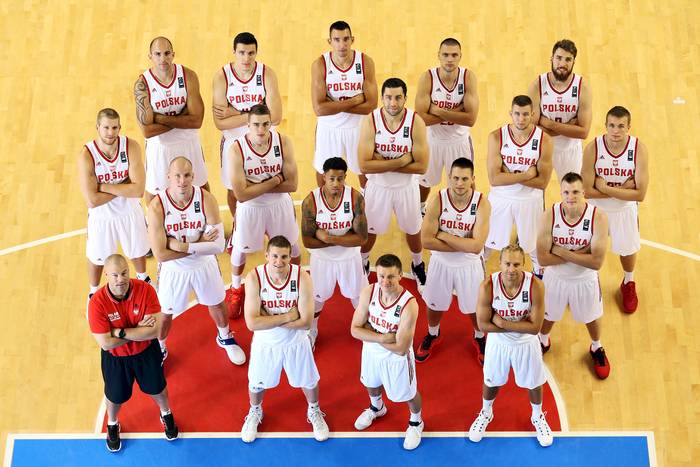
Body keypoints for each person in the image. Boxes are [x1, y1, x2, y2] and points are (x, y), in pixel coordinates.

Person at [147, 157, 245, 365]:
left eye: (187, 175)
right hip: (173, 270)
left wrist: (182, 246)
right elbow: (161, 255)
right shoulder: (157, 206)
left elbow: (218, 245)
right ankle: (160, 347)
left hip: (204, 264)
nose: (182, 181)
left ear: (193, 176)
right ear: (168, 177)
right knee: (165, 313)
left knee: (217, 303)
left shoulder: (206, 199)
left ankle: (224, 336)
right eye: (177, 176)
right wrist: (200, 244)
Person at [241, 235, 329, 443]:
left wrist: (268, 319)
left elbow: (306, 322)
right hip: (266, 343)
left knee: (309, 380)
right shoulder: (255, 278)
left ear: (290, 257)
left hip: (296, 341)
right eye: (274, 256)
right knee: (257, 382)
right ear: (266, 256)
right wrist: (289, 316)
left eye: (284, 257)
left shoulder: (302, 277)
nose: (279, 261)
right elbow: (252, 323)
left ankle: (314, 410)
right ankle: (255, 411)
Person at [88, 254, 178, 452]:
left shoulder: (145, 290)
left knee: (158, 389)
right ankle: (112, 423)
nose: (120, 279)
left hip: (146, 353)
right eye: (115, 275)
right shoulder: (97, 303)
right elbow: (106, 344)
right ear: (106, 275)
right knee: (114, 396)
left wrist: (118, 332)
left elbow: (155, 331)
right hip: (115, 360)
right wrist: (138, 330)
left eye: (124, 273)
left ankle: (165, 413)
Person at [467, 244, 553, 447]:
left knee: (534, 383)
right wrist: (519, 326)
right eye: (507, 264)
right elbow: (482, 325)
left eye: (516, 264)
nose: (511, 269)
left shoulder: (535, 286)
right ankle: (486, 412)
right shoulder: (488, 286)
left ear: (524, 264)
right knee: (491, 381)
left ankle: (537, 416)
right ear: (499, 263)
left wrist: (503, 323)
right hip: (499, 342)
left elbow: (535, 328)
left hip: (526, 343)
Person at [225, 104, 300, 317]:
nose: (261, 129)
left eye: (265, 124)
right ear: (248, 125)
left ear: (270, 124)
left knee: (292, 246)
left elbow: (292, 185)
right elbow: (241, 195)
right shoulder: (236, 149)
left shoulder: (283, 142)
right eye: (256, 124)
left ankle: (296, 282)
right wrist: (275, 180)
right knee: (240, 248)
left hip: (279, 205)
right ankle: (236, 288)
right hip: (250, 208)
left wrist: (254, 186)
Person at [536, 172, 611, 379]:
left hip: (585, 280)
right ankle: (543, 340)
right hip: (555, 279)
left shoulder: (598, 218)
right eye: (566, 192)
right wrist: (582, 253)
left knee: (591, 316)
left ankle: (596, 347)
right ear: (560, 193)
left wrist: (560, 251)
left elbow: (596, 262)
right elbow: (543, 259)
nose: (571, 197)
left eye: (575, 192)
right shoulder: (549, 216)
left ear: (584, 192)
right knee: (548, 314)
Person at [416, 157, 490, 364]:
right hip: (441, 262)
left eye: (464, 179)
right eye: (456, 178)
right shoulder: (438, 200)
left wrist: (442, 234)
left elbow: (476, 247)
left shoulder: (482, 203)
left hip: (469, 264)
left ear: (473, 179)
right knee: (434, 302)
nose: (459, 183)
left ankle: (479, 336)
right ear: (449, 177)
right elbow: (426, 241)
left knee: (474, 306)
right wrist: (463, 243)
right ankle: (433, 333)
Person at [358, 78, 429, 289]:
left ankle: (418, 264)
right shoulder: (371, 120)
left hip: (406, 188)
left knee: (413, 229)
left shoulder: (415, 122)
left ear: (405, 98)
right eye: (388, 97)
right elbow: (364, 165)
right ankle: (362, 262)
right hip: (378, 188)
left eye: (398, 97)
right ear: (382, 98)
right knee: (370, 230)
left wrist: (381, 162)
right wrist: (401, 161)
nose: (393, 103)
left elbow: (421, 167)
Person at [212, 32, 283, 243]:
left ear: (256, 53)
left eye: (251, 53)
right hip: (233, 142)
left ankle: (271, 226)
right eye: (241, 53)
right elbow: (220, 123)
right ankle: (239, 226)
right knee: (233, 189)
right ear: (234, 52)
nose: (246, 58)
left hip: (264, 140)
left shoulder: (267, 74)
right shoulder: (222, 77)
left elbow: (276, 117)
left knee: (270, 184)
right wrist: (256, 114)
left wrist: (235, 113)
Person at [350, 254, 424, 450]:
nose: (385, 281)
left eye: (390, 276)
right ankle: (377, 407)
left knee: (408, 393)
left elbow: (401, 348)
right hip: (371, 351)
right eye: (381, 276)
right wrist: (383, 337)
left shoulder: (409, 304)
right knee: (370, 382)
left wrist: (370, 332)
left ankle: (416, 422)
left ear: (400, 275)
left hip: (396, 360)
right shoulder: (369, 292)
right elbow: (354, 330)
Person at [78, 108, 151, 302]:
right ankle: (93, 291)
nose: (111, 132)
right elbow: (92, 200)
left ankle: (144, 279)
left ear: (120, 127)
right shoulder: (87, 155)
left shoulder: (131, 146)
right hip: (102, 217)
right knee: (97, 256)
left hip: (130, 212)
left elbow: (138, 190)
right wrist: (124, 186)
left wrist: (103, 186)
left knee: (138, 250)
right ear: (97, 127)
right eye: (106, 128)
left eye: (114, 127)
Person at [582, 106, 649, 313]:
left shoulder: (638, 149)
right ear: (605, 126)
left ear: (629, 127)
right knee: (590, 249)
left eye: (621, 126)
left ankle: (628, 282)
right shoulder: (593, 148)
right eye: (611, 125)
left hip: (624, 210)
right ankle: (588, 284)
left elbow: (640, 195)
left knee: (627, 249)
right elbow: (587, 191)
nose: (616, 131)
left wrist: (605, 188)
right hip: (597, 209)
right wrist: (624, 189)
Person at [301, 157, 369, 349]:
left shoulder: (355, 198)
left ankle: (366, 329)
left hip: (350, 259)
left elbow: (362, 238)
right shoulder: (311, 201)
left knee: (359, 297)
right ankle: (312, 330)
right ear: (324, 177)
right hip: (322, 261)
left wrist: (329, 238)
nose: (336, 183)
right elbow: (308, 241)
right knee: (317, 298)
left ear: (345, 177)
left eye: (340, 179)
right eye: (332, 179)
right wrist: (345, 239)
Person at [134, 36, 208, 204]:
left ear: (173, 54)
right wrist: (182, 118)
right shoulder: (142, 84)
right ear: (150, 56)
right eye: (157, 54)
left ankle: (207, 220)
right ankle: (154, 221)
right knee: (155, 194)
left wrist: (159, 118)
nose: (163, 59)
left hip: (188, 142)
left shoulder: (188, 76)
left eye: (167, 53)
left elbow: (197, 121)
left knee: (201, 187)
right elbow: (147, 131)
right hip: (160, 147)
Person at [485, 95, 553, 277]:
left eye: (525, 114)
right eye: (517, 114)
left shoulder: (544, 140)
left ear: (532, 114)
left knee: (534, 246)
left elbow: (542, 182)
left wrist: (508, 175)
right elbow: (494, 179)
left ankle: (539, 279)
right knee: (486, 243)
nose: (521, 119)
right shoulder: (496, 137)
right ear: (511, 113)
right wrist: (527, 174)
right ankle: (477, 274)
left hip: (529, 199)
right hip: (501, 197)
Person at [415, 37, 479, 215]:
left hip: (459, 142)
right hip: (432, 141)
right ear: (438, 55)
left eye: (454, 55)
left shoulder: (468, 78)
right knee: (424, 180)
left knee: (465, 181)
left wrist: (437, 110)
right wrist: (457, 111)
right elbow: (421, 119)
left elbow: (470, 119)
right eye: (445, 55)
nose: (449, 59)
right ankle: (420, 208)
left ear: (460, 56)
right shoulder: (428, 78)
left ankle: (469, 213)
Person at [311, 20, 378, 187]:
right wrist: (355, 100)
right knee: (323, 170)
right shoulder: (320, 64)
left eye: (346, 39)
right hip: (329, 128)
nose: (342, 45)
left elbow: (371, 106)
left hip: (358, 127)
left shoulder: (365, 62)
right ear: (329, 41)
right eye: (337, 40)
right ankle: (325, 202)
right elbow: (319, 109)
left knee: (364, 170)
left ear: (352, 39)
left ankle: (366, 200)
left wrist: (333, 105)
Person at [527, 39, 592, 181]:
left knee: (572, 190)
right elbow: (531, 129)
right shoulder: (538, 85)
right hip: (541, 147)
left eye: (568, 59)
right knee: (535, 189)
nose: (562, 64)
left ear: (574, 62)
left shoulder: (582, 87)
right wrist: (569, 127)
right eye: (559, 58)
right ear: (551, 58)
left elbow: (583, 132)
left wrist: (549, 124)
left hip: (570, 151)